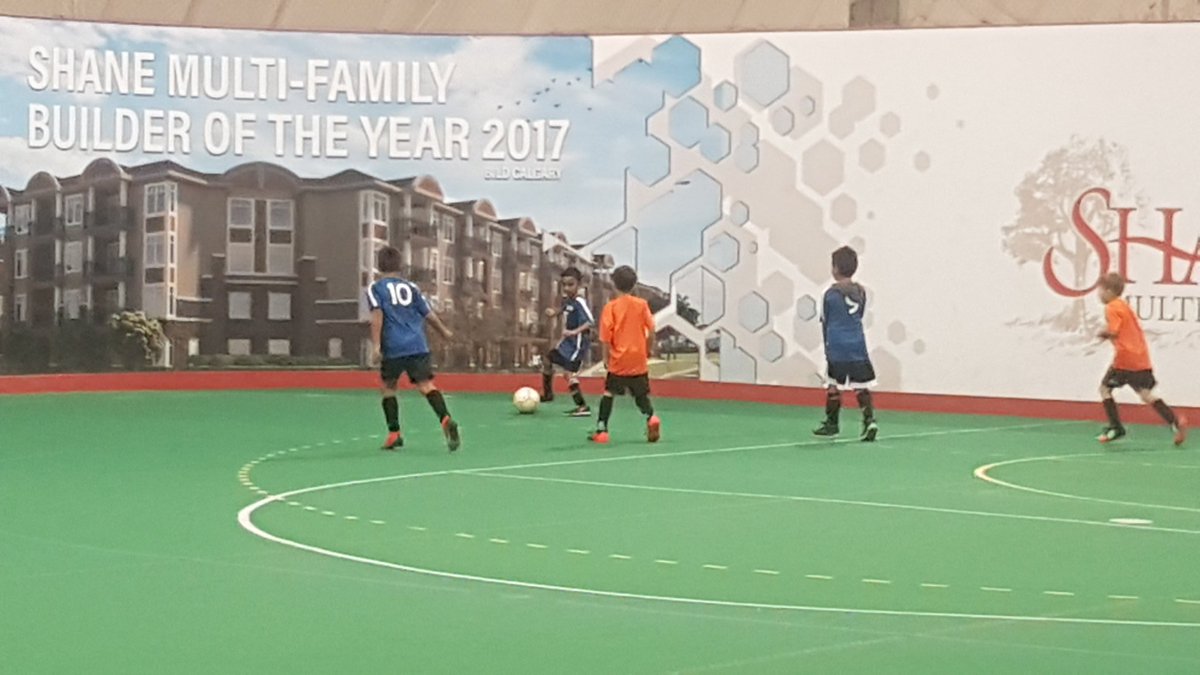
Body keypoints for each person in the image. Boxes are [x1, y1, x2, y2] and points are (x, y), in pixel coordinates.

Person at [367, 246, 461, 452]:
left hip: (394, 346)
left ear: (379, 265)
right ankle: (445, 419)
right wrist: (444, 332)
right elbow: (428, 314)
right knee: (426, 385)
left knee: (388, 387)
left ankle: (394, 434)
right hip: (418, 344)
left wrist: (376, 346)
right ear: (400, 266)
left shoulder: (376, 288)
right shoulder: (411, 288)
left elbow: (377, 316)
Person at [1095, 272, 1187, 445]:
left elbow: (1114, 331)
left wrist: (1102, 334)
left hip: (1124, 360)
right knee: (1146, 394)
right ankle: (1174, 421)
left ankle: (1116, 427)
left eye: (1100, 290)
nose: (1099, 294)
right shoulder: (1124, 306)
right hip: (1141, 358)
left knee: (1104, 389)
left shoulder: (1112, 307)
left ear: (1109, 291)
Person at [813, 246, 879, 442]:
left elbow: (826, 320)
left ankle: (832, 423)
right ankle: (869, 420)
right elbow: (859, 315)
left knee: (833, 384)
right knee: (861, 385)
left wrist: (827, 346)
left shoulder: (831, 294)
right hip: (857, 343)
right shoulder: (861, 292)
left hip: (837, 344)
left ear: (835, 268)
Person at [590, 265, 661, 444]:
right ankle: (651, 417)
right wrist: (647, 349)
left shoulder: (611, 308)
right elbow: (652, 331)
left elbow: (606, 337)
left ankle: (602, 429)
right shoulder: (642, 305)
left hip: (618, 359)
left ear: (614, 284)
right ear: (634, 284)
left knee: (609, 393)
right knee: (641, 395)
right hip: (638, 358)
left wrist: (606, 359)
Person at [541, 266, 594, 416]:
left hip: (577, 343)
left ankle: (582, 406)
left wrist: (573, 332)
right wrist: (554, 313)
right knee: (547, 360)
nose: (566, 288)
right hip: (568, 342)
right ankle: (548, 394)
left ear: (579, 285)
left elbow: (590, 322)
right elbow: (564, 308)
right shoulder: (568, 301)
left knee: (568, 374)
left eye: (570, 284)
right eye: (564, 285)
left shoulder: (579, 301)